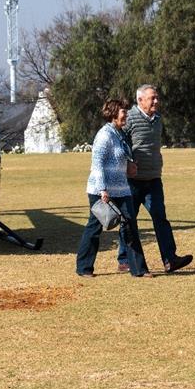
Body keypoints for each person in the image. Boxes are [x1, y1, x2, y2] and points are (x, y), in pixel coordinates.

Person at [118, 84, 193, 274]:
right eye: (152, 98)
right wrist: (127, 164)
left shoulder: (158, 119)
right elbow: (119, 145)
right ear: (140, 100)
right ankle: (124, 259)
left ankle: (170, 260)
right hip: (132, 181)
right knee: (128, 220)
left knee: (161, 218)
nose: (156, 101)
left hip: (153, 179)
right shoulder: (130, 118)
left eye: (157, 97)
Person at [76, 98, 152, 278]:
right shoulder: (104, 135)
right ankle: (84, 267)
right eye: (123, 111)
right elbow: (97, 165)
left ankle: (139, 269)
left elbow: (121, 157)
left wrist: (129, 166)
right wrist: (103, 190)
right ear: (113, 114)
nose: (126, 114)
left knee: (130, 227)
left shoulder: (119, 134)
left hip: (122, 188)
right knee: (95, 228)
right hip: (101, 191)